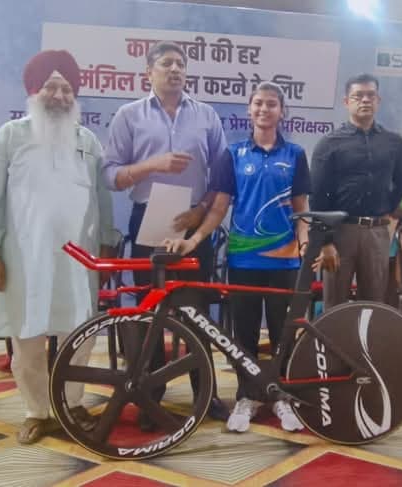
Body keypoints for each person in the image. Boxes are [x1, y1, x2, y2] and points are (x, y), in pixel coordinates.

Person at [0, 50, 117, 444]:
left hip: (79, 257)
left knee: (79, 332)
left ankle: (72, 403)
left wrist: (106, 245)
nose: (59, 96)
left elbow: (102, 199)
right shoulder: (9, 136)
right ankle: (37, 411)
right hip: (24, 259)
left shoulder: (88, 141)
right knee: (27, 336)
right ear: (34, 91)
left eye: (67, 89)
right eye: (51, 87)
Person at [163, 82, 308, 433]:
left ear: (281, 111)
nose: (264, 109)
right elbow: (218, 209)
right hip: (244, 261)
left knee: (283, 334)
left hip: (285, 261)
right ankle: (246, 396)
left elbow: (302, 209)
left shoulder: (295, 154)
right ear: (249, 109)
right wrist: (194, 239)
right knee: (243, 335)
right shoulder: (234, 154)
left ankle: (282, 397)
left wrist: (306, 244)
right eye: (258, 103)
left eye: (271, 104)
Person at [102, 41, 231, 426]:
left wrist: (201, 210)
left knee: (196, 313)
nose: (175, 69)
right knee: (150, 314)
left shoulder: (206, 115)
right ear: (148, 72)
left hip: (193, 220)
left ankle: (205, 394)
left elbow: (222, 175)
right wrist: (151, 165)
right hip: (148, 221)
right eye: (166, 63)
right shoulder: (129, 116)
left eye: (181, 64)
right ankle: (149, 396)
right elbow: (110, 175)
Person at [309, 73, 402, 309]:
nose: (365, 100)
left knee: (373, 304)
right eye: (358, 96)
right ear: (347, 102)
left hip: (376, 232)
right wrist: (325, 242)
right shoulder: (329, 143)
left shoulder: (393, 142)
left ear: (378, 100)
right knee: (335, 305)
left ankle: (366, 337)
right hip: (339, 232)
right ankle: (334, 337)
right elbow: (318, 195)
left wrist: (386, 207)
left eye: (370, 95)